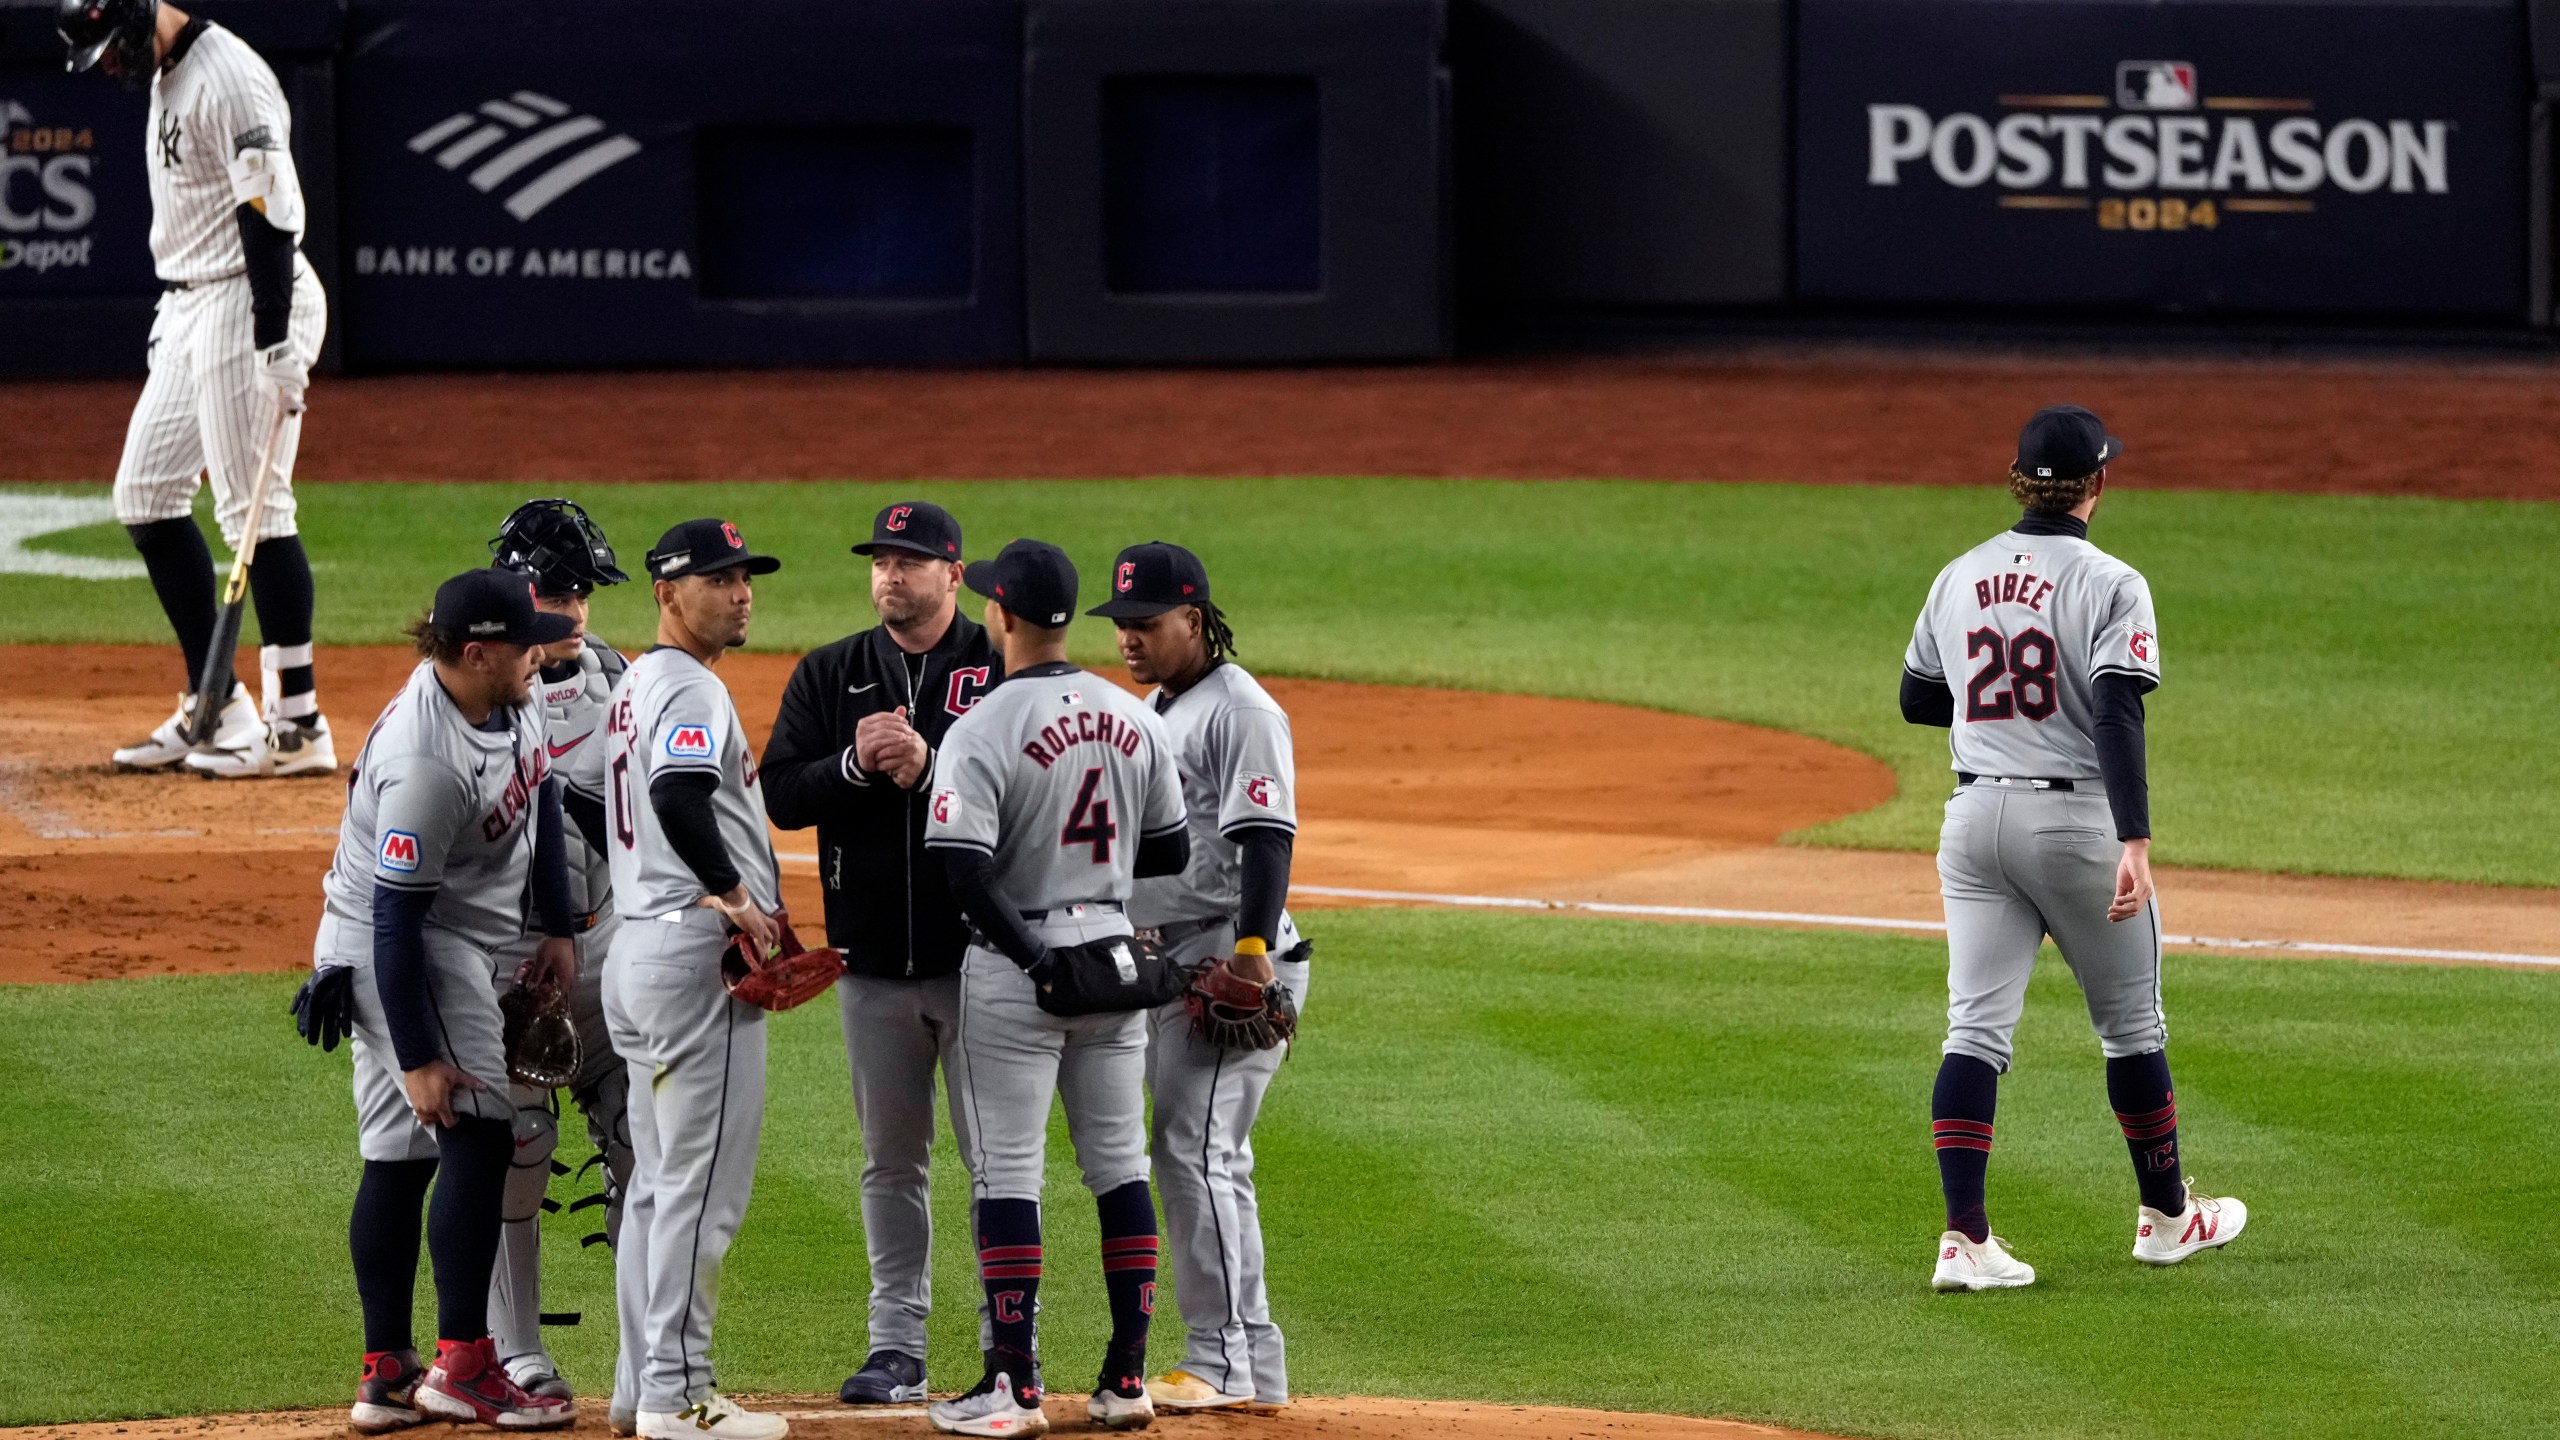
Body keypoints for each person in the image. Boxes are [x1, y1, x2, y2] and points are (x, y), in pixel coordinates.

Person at [1900, 405, 2247, 1292]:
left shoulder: (1960, 572)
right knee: (2131, 1028)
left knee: (1973, 1030)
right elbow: (2120, 711)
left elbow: (1918, 699)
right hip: (2076, 825)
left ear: (2019, 479)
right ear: (2098, 482)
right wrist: (2135, 836)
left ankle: (1964, 1241)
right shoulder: (2112, 581)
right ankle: (2168, 1219)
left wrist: (2002, 715)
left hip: (1973, 824)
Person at [287, 568, 579, 1432]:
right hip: (407, 948)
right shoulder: (425, 762)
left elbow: (546, 795)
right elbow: (396, 921)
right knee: (479, 1134)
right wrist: (416, 1055)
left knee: (397, 1158)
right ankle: (465, 1366)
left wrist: (556, 927)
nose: (543, 647)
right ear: (477, 651)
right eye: (525, 639)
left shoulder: (504, 697)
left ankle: (386, 1372)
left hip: (428, 934)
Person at [921, 541, 1190, 1439]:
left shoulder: (982, 727)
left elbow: (959, 867)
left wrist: (1035, 959)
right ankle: (1126, 1379)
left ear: (997, 612)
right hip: (1113, 958)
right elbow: (1170, 852)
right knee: (1119, 1164)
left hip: (1020, 965)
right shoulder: (1133, 715)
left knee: (1010, 1171)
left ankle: (1013, 1384)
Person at [761, 501, 1002, 1405]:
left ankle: (1003, 1341)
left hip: (985, 966)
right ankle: (896, 1346)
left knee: (996, 1163)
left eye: (909, 561)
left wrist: (932, 765)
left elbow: (1033, 790)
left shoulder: (998, 665)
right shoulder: (832, 672)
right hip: (868, 966)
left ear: (954, 571)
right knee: (890, 1163)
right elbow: (780, 792)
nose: (889, 575)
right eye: (880, 561)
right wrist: (856, 770)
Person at [59, 0, 334, 778]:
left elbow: (270, 211)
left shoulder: (231, 81)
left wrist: (274, 334)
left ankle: (298, 724)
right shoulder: (167, 70)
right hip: (190, 303)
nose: (113, 66)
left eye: (114, 48)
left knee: (255, 507)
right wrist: (176, 310)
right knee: (144, 494)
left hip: (248, 295)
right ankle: (217, 705)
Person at [1092, 543, 1307, 1414]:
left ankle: (1220, 1359)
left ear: (1195, 618)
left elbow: (1268, 835)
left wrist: (1250, 951)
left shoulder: (1241, 710)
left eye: (1146, 624)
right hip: (1173, 961)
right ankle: (1253, 1361)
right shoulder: (1162, 705)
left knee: (1196, 1153)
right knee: (1206, 1156)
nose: (1130, 640)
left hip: (1226, 958)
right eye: (1121, 626)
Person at [599, 519, 791, 1440]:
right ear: (668, 595)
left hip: (638, 950)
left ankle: (640, 1387)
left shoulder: (637, 681)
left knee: (656, 1185)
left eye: (745, 577)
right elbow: (678, 794)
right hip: (690, 955)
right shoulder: (691, 690)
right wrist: (734, 896)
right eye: (718, 580)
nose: (741, 592)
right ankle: (681, 1396)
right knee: (700, 1191)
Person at [484, 499, 637, 1400]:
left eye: (581, 589)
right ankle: (514, 1348)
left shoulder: (624, 679)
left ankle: (644, 1355)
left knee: (636, 1148)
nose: (571, 607)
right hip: (515, 968)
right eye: (551, 588)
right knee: (522, 1146)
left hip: (612, 952)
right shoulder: (479, 688)